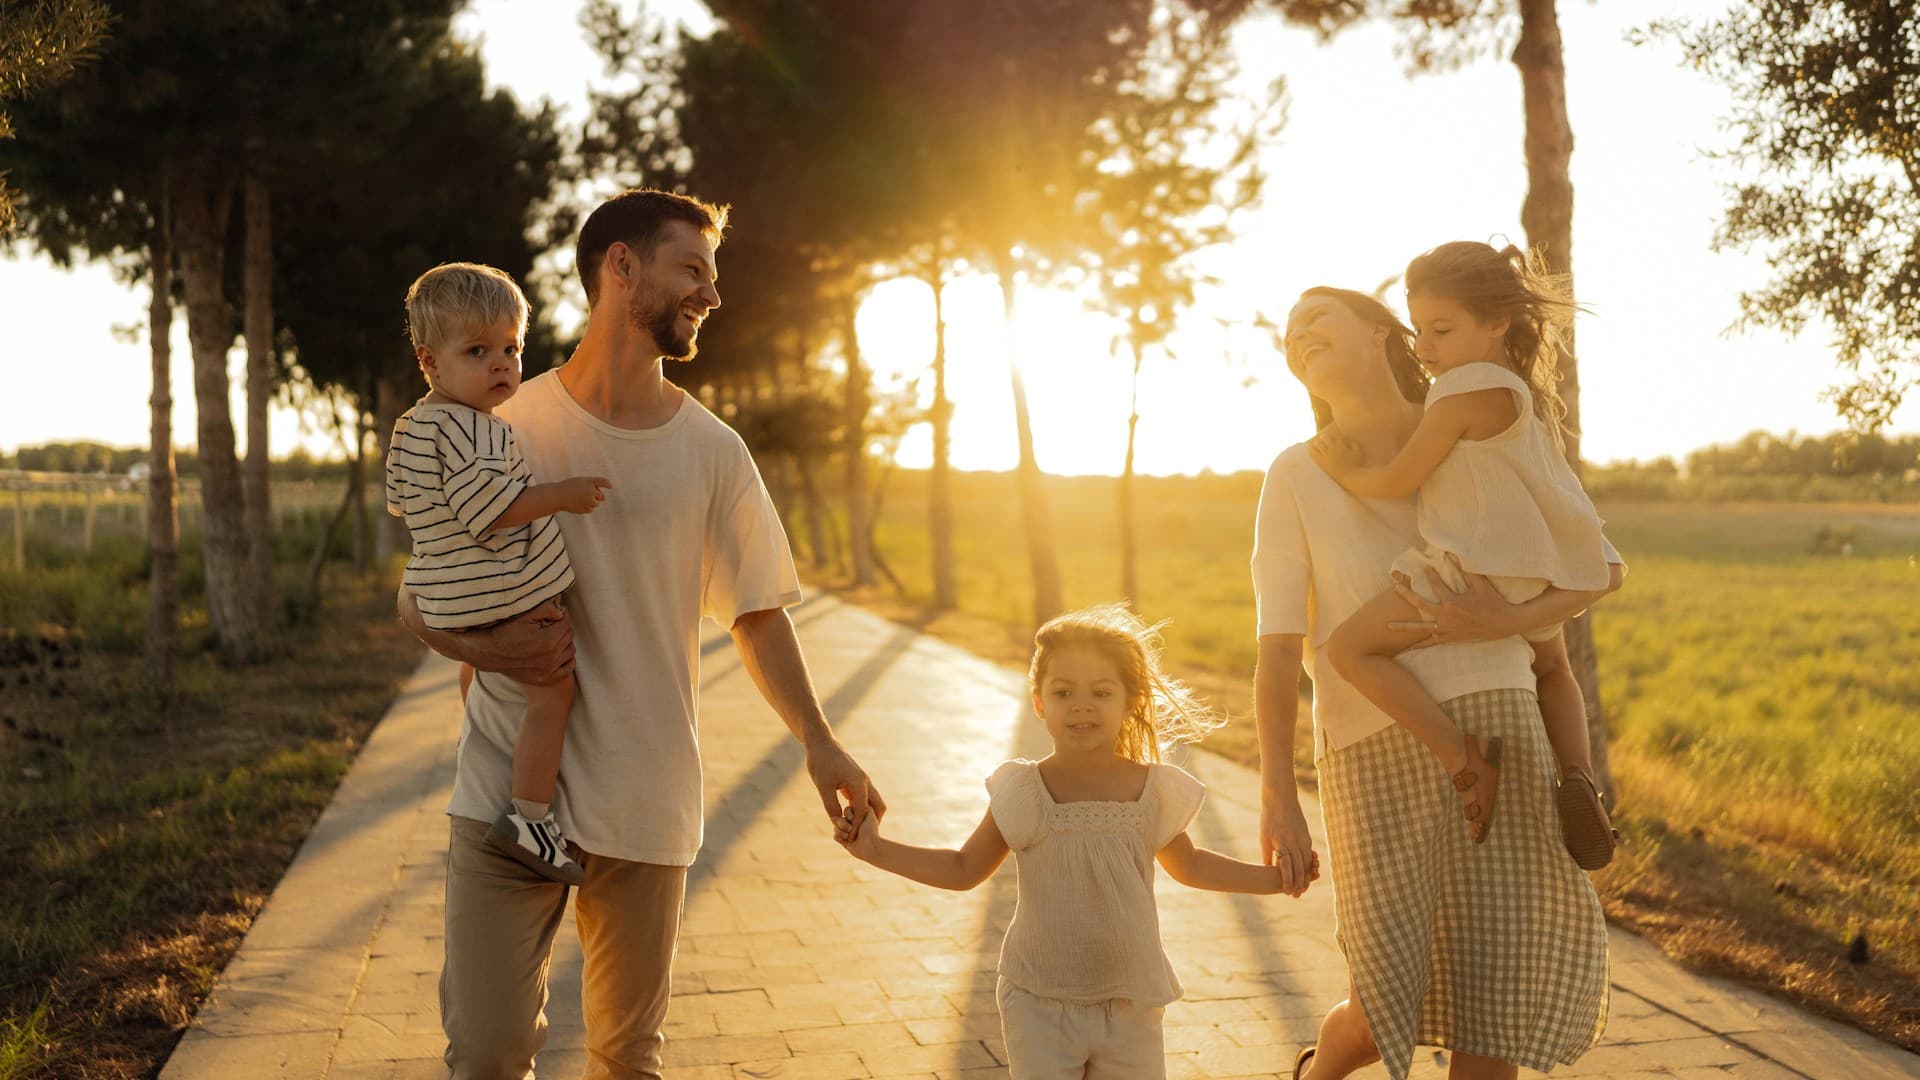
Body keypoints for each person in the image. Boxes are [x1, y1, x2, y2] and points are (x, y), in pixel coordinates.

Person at [396, 189, 883, 1080]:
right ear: (621, 267)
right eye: (692, 268)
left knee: (627, 1058)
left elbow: (758, 611)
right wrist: (484, 650)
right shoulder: (498, 423)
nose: (712, 292)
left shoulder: (713, 451)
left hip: (646, 804)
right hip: (505, 800)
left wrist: (822, 742)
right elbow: (418, 593)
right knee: (488, 1053)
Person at [1254, 286, 1624, 1080]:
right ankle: (1319, 1070)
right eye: (1289, 334)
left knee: (1490, 1002)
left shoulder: (1476, 437)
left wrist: (1574, 772)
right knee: (1384, 995)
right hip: (1369, 749)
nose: (1299, 336)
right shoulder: (1295, 474)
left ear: (1386, 332)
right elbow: (1280, 649)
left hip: (1502, 732)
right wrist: (1278, 795)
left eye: (1318, 318)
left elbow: (1550, 622)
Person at [835, 604, 1309, 1080]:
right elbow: (963, 868)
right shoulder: (1024, 790)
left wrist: (1273, 879)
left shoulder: (1151, 791)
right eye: (1064, 692)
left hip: (1130, 1003)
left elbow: (1191, 866)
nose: (1082, 705)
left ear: (1130, 701)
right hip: (1038, 1001)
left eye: (1101, 692)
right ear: (1039, 703)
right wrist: (876, 848)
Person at [1307, 242, 1615, 867]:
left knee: (1347, 649)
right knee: (1553, 669)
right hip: (1531, 576)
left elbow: (1401, 477)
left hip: (1465, 572)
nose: (1425, 348)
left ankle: (1462, 759)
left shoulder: (1462, 388)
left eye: (1441, 331)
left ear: (1497, 322)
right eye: (1419, 330)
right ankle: (1579, 775)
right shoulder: (1523, 398)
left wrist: (1348, 472)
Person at [385, 262, 611, 886]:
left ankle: (484, 740)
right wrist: (560, 493)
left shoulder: (413, 426)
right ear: (430, 361)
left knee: (481, 672)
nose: (502, 365)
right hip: (506, 592)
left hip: (454, 595)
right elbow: (495, 512)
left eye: (511, 348)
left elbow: (407, 505)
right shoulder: (476, 430)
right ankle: (530, 817)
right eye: (478, 351)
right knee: (552, 693)